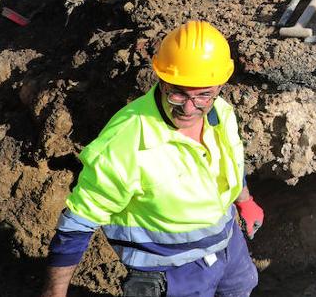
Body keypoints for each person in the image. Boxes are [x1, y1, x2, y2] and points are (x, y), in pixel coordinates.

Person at [41, 22, 262, 297]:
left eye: (203, 94)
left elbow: (231, 160)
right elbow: (78, 223)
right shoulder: (128, 142)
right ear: (162, 79)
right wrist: (55, 292)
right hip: (173, 271)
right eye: (178, 92)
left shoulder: (222, 113)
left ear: (220, 85)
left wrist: (244, 199)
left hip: (228, 244)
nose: (189, 108)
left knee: (241, 286)